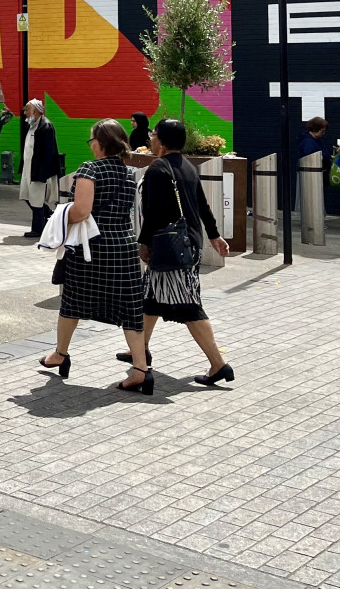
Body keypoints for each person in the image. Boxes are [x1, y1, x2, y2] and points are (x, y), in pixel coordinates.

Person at [38, 119, 148, 387]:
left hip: (93, 248)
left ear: (99, 143)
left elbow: (82, 211)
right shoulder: (127, 172)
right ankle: (140, 370)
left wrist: (61, 215)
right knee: (130, 307)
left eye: (92, 141)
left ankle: (60, 354)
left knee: (73, 301)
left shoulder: (90, 169)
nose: (91, 146)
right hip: (124, 246)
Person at [136, 117, 234, 388]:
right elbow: (202, 205)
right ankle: (140, 350)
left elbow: (152, 213)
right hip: (188, 242)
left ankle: (218, 363)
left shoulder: (157, 169)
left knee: (189, 306)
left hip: (171, 248)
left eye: (154, 134)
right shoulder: (188, 167)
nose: (151, 139)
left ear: (163, 141)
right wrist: (213, 235)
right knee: (151, 298)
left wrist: (145, 243)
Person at [19, 99, 60, 242]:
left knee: (36, 199)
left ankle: (38, 229)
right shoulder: (31, 125)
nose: (24, 113)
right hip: (28, 169)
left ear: (35, 111)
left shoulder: (46, 126)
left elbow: (49, 152)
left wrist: (43, 174)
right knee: (26, 195)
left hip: (38, 171)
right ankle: (48, 213)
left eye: (27, 110)